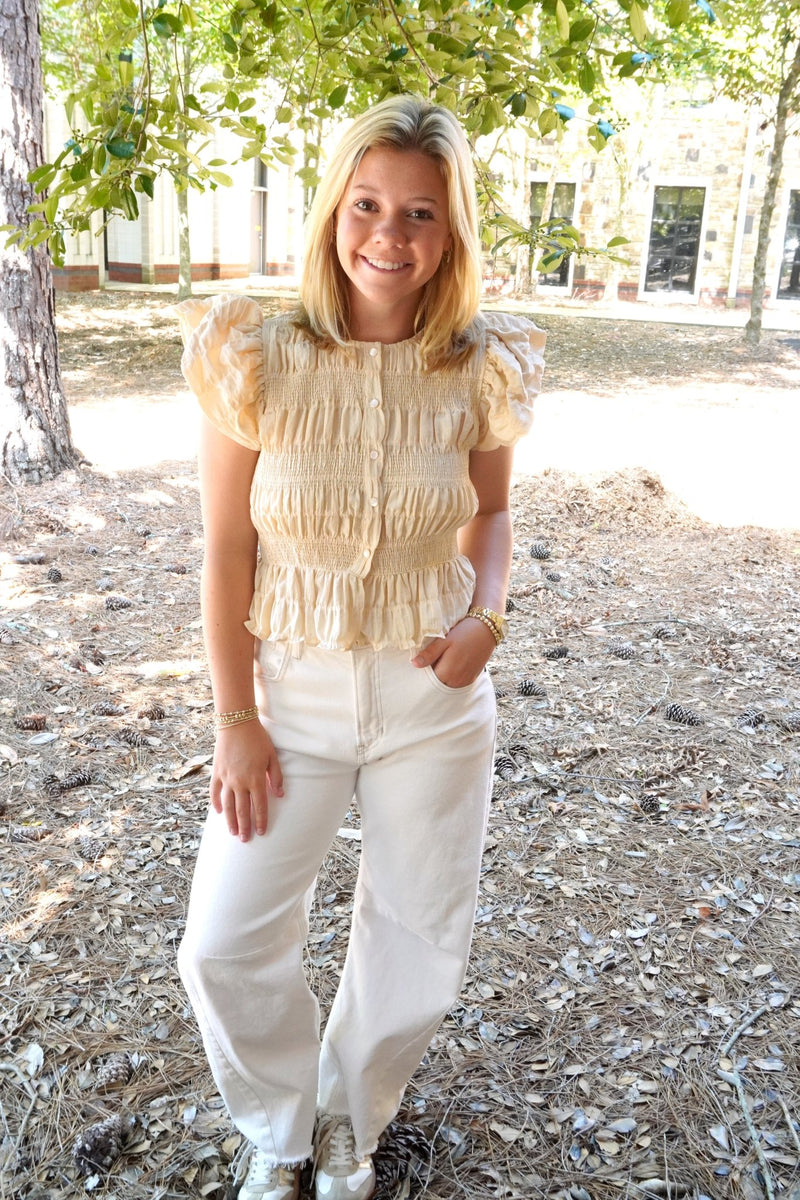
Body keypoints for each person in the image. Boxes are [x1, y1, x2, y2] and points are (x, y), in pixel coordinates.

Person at [176, 94, 545, 1200]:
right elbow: (226, 552)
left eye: (420, 212)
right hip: (288, 688)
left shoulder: (481, 360)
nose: (389, 235)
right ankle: (278, 1128)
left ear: (451, 232)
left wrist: (487, 617)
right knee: (224, 942)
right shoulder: (253, 347)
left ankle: (349, 1125)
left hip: (431, 695)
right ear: (334, 206)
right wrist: (235, 720)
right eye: (369, 203)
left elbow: (490, 516)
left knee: (417, 935)